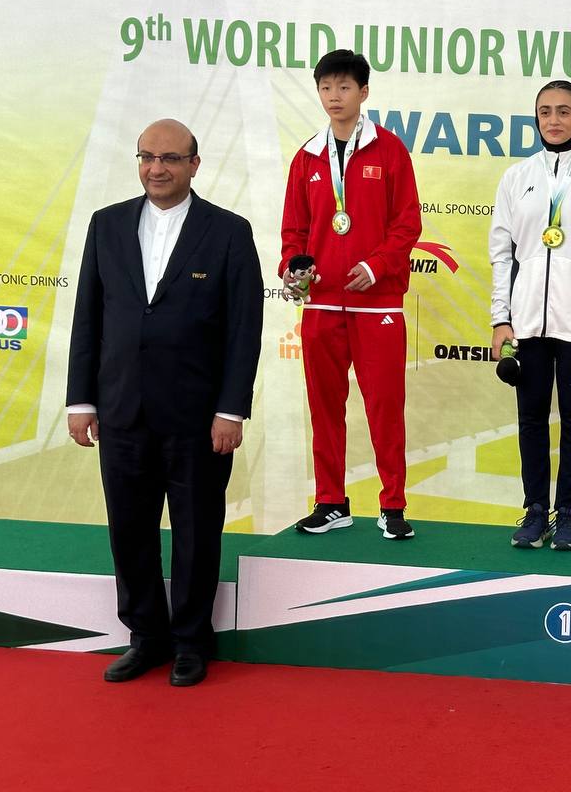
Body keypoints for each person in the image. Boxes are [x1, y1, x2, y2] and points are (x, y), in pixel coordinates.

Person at [66, 119, 263, 686]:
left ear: (194, 165)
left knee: (197, 533)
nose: (157, 168)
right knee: (129, 531)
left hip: (198, 419)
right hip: (121, 410)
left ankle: (191, 641)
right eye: (147, 156)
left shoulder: (229, 232)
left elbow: (243, 329)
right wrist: (81, 400)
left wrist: (231, 410)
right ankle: (146, 637)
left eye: (171, 158)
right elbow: (88, 318)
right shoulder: (106, 225)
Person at [280, 50, 421, 539]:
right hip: (321, 304)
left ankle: (392, 504)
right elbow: (294, 230)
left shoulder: (390, 150)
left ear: (363, 92)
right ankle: (330, 501)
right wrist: (293, 268)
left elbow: (407, 224)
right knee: (324, 407)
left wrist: (376, 266)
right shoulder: (307, 157)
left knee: (385, 406)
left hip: (377, 304)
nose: (334, 97)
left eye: (343, 87)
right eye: (326, 88)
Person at [489, 80, 571, 551]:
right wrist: (501, 318)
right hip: (526, 324)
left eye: (564, 111)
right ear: (536, 118)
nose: (554, 119)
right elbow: (501, 254)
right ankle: (534, 511)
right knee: (530, 420)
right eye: (545, 111)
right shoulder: (516, 177)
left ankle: (568, 513)